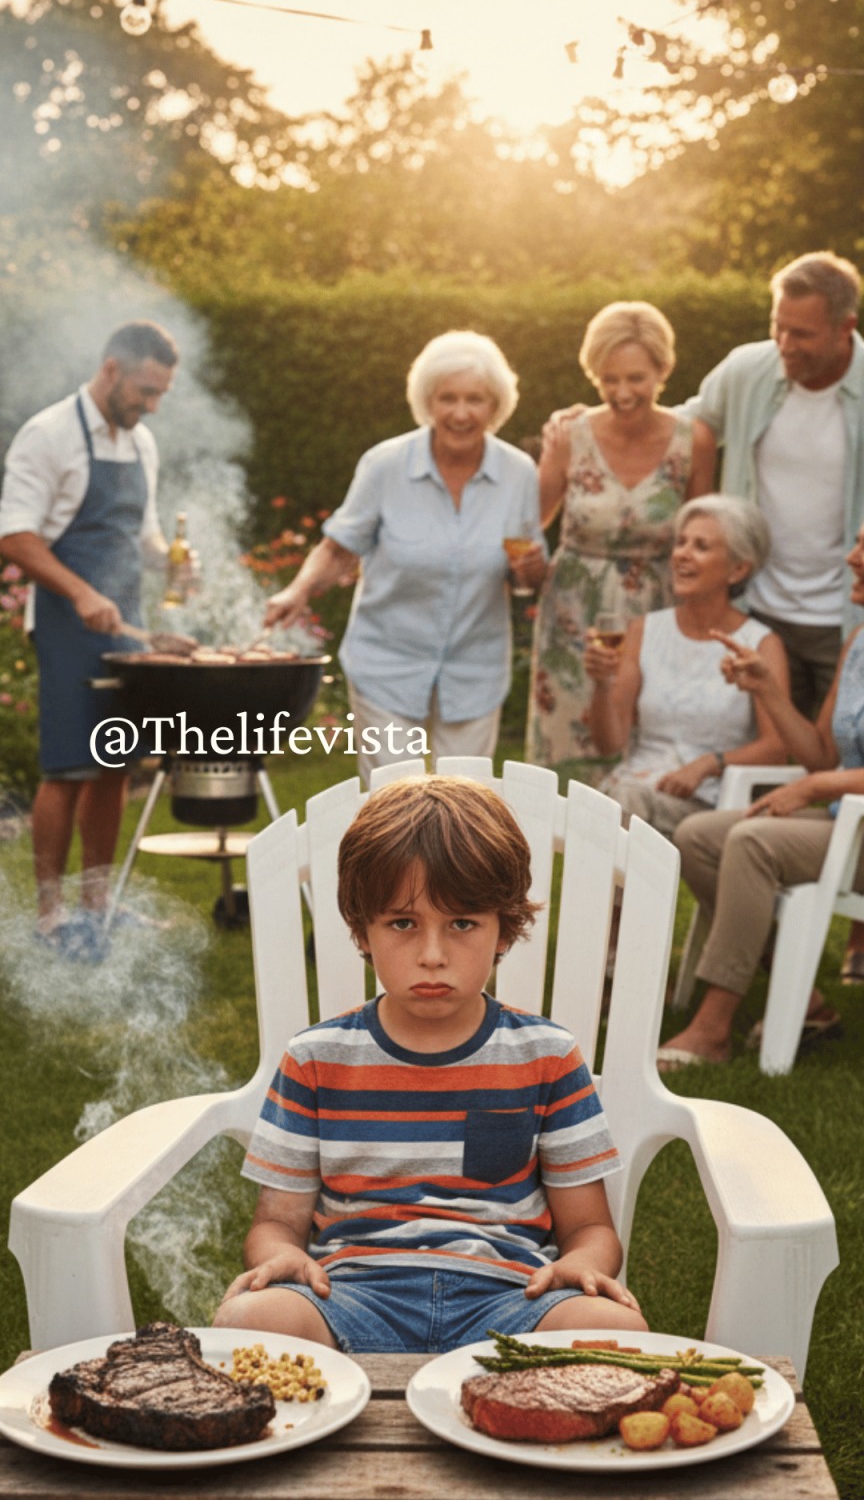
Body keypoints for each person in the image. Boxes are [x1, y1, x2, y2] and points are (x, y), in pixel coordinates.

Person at [215, 775, 646, 1352]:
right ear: (361, 931)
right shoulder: (315, 1059)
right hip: (352, 1298)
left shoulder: (547, 1056)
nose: (433, 955)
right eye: (402, 924)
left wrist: (583, 1265)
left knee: (616, 1331)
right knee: (250, 1319)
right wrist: (282, 1257)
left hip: (510, 1300)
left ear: (504, 930)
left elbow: (589, 1227)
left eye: (462, 924)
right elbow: (276, 1222)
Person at [263, 331, 545, 787]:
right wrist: (298, 590)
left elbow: (530, 572)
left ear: (495, 406)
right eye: (447, 398)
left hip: (475, 669)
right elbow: (338, 546)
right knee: (394, 805)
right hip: (387, 665)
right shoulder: (386, 465)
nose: (460, 413)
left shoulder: (518, 473)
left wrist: (529, 571)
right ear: (427, 402)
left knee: (466, 807)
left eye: (475, 399)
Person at [657, 519, 864, 1072]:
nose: (852, 557)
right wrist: (766, 688)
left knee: (752, 842)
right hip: (846, 825)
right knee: (698, 836)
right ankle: (808, 1002)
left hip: (855, 834)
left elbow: (820, 775)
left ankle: (714, 1027)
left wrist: (818, 787)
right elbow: (821, 752)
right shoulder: (856, 642)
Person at [0, 320, 178, 956]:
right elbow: (16, 535)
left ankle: (99, 903)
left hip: (122, 621)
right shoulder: (47, 435)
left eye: (161, 393)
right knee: (68, 765)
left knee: (115, 765)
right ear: (111, 370)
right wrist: (80, 592)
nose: (152, 404)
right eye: (146, 390)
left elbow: (144, 533)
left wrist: (172, 562)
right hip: (65, 623)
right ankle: (51, 915)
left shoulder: (141, 443)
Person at [526, 301, 716, 779]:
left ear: (661, 370)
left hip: (657, 609)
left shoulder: (693, 441)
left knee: (644, 743)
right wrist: (526, 562)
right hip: (572, 613)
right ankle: (552, 848)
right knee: (567, 743)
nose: (622, 392)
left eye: (636, 378)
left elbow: (702, 530)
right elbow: (530, 520)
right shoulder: (571, 435)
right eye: (609, 380)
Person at [685, 251, 864, 719]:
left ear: (846, 326)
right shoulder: (748, 370)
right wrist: (593, 420)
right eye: (777, 327)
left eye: (802, 333)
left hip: (845, 621)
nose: (784, 343)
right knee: (754, 756)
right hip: (755, 609)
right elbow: (684, 428)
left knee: (842, 757)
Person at [584, 495, 789, 839]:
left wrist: (710, 764)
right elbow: (608, 743)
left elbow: (776, 747)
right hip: (634, 791)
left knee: (622, 808)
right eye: (681, 542)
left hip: (707, 803)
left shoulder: (761, 643)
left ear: (738, 569)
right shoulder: (643, 631)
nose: (682, 554)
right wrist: (602, 684)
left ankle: (606, 894)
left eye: (701, 546)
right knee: (626, 799)